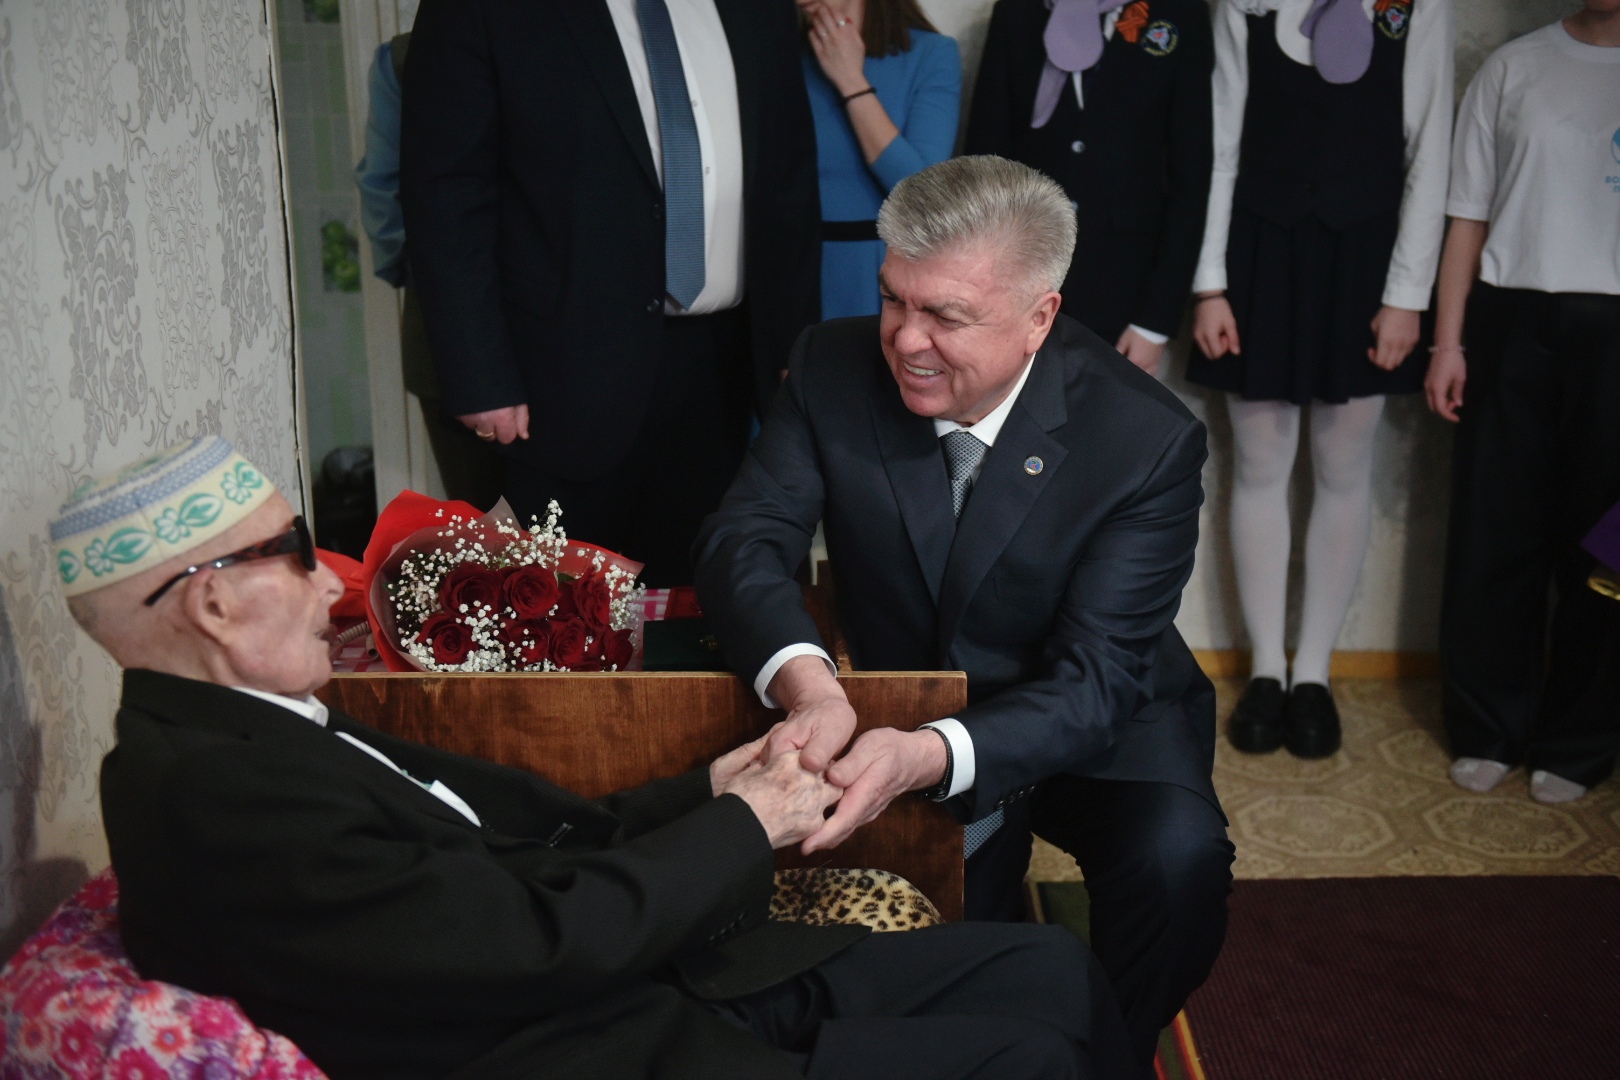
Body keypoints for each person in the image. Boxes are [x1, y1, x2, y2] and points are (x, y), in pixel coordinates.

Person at [59, 436, 1132, 1080]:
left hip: (630, 985)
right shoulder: (213, 794)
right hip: (584, 1045)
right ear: (211, 604)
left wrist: (710, 789)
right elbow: (532, 945)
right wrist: (747, 823)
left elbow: (517, 831)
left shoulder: (252, 725)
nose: (328, 581)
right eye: (295, 554)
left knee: (1050, 968)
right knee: (1028, 1059)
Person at [694, 157, 1233, 1079]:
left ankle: (1106, 1050)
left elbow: (1098, 679)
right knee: (942, 965)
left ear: (1040, 318)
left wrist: (933, 753)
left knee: (1178, 867)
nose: (906, 339)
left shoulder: (1146, 438)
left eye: (946, 316)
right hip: (894, 707)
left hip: (1086, 711)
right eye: (893, 299)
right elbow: (742, 539)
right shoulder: (828, 365)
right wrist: (811, 684)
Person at [400, 0, 821, 586]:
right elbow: (446, 195)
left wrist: (793, 346)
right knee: (557, 616)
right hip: (551, 380)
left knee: (711, 603)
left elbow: (790, 179)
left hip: (725, 367)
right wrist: (478, 372)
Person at [1188, 0, 1453, 758]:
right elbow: (1220, 145)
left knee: (1344, 467)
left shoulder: (1414, 7)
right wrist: (1210, 284)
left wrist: (1408, 295)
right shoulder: (1245, 4)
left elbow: (1428, 152)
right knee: (1260, 465)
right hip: (1258, 258)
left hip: (1365, 266)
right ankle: (1266, 673)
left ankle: (1313, 674)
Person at [1423, 0, 1620, 804]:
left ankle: (1579, 739)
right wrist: (1448, 344)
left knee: (1603, 552)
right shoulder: (1513, 67)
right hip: (1512, 322)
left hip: (1616, 334)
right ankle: (1486, 727)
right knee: (1494, 536)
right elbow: (1466, 219)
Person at [965, 0, 1213, 377]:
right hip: (1022, 274)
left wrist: (1154, 321)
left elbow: (1191, 176)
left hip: (1123, 284)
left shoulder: (1180, 13)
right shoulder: (1019, 11)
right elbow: (983, 160)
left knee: (1110, 412)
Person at [352, 32, 504, 510]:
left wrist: (431, 280)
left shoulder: (405, 55)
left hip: (447, 334)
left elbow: (382, 192)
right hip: (587, 329)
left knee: (488, 535)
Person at [799, 0, 960, 319]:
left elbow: (922, 194)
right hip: (791, 271)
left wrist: (850, 80)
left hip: (883, 279)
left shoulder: (931, 54)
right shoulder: (778, 56)